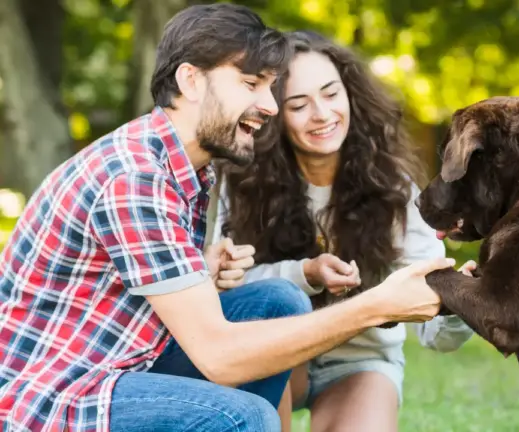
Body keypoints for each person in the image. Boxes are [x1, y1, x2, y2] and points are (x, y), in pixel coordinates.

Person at [0, 5, 457, 432]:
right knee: (244, 416)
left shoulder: (185, 168)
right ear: (192, 81)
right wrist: (376, 305)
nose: (271, 106)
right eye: (252, 84)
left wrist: (197, 268)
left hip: (119, 359)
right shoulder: (137, 178)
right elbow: (219, 357)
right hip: (53, 392)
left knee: (278, 300)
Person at [212, 30, 475, 432]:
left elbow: (434, 333)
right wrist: (305, 274)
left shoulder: (394, 188)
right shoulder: (243, 183)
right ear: (272, 115)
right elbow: (226, 294)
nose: (322, 114)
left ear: (350, 93)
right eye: (299, 104)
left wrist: (460, 301)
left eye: (331, 93)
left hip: (358, 361)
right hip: (276, 349)